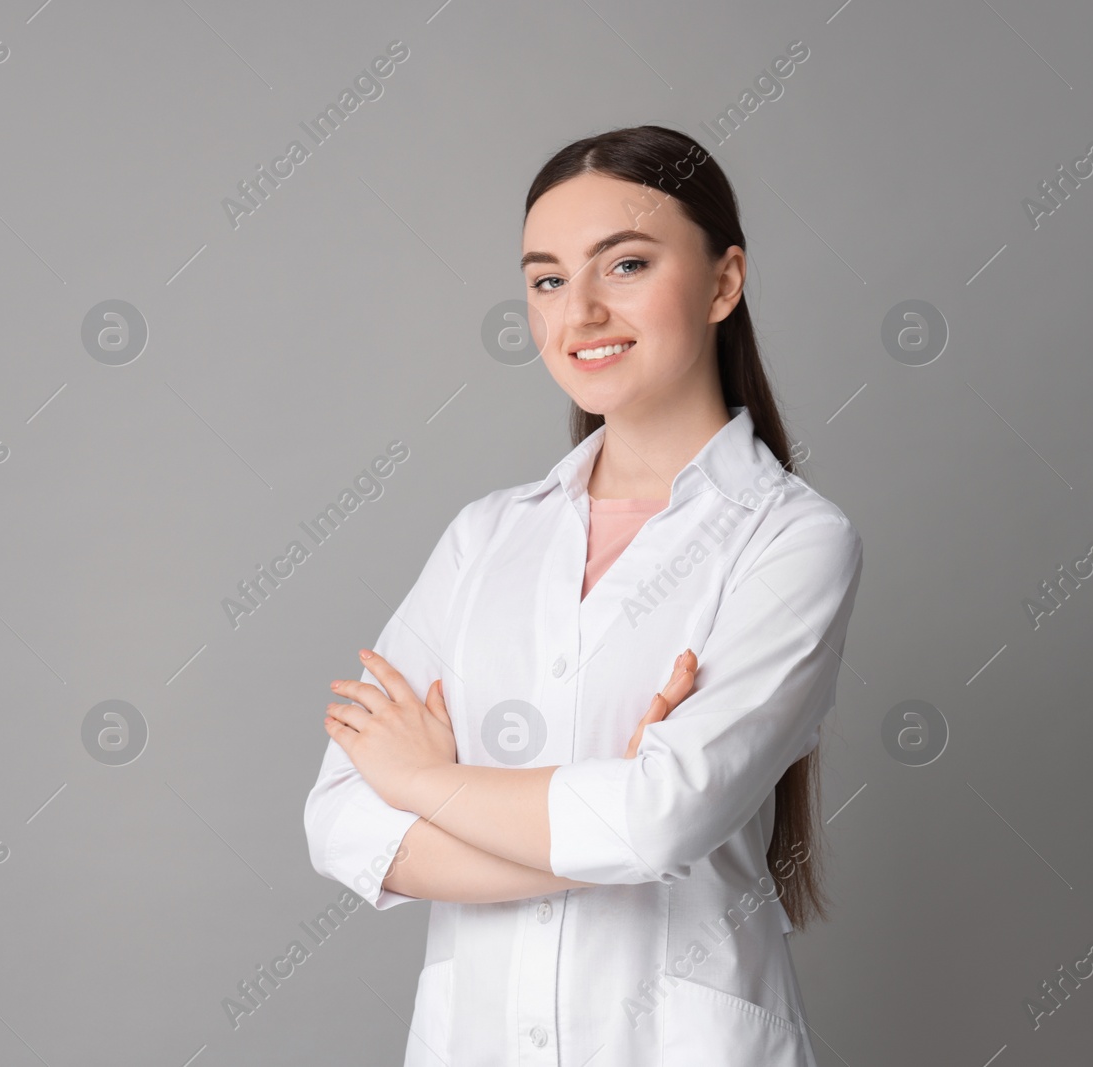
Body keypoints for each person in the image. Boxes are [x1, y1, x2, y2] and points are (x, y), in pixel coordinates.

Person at [303, 125, 864, 1066]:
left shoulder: (793, 538)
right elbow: (339, 819)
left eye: (628, 264)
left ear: (725, 282)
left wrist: (425, 783)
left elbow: (662, 817)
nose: (582, 312)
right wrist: (606, 826)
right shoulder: (485, 537)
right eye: (548, 280)